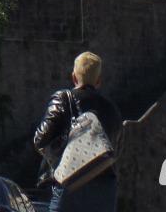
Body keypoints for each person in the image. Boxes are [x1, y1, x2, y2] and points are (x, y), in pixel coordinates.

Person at [33, 50, 120, 211]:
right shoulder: (111, 109)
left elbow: (40, 140)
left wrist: (67, 148)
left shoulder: (63, 99)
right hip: (105, 187)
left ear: (73, 77)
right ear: (99, 80)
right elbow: (116, 149)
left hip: (71, 182)